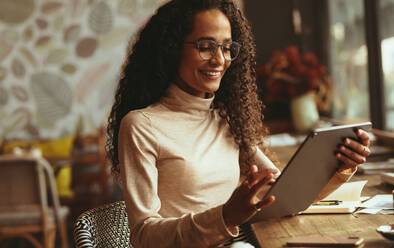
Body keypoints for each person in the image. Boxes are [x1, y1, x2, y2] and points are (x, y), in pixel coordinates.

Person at [106, 0, 371, 247]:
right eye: (206, 46)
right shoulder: (141, 125)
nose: (220, 60)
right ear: (171, 48)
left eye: (226, 47)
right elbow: (143, 236)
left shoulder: (225, 118)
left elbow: (281, 195)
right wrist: (225, 217)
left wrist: (340, 167)